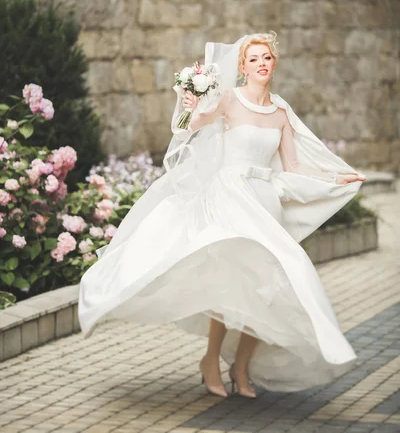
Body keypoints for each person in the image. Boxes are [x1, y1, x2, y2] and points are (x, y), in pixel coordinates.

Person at [78, 32, 366, 399]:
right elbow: (186, 127)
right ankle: (211, 360)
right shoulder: (229, 99)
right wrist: (188, 103)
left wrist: (337, 177)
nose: (262, 64)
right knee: (229, 280)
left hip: (265, 200)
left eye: (267, 58)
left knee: (267, 287)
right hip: (230, 197)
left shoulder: (280, 113)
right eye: (254, 59)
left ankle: (241, 367)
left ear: (273, 64)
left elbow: (293, 166)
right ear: (243, 67)